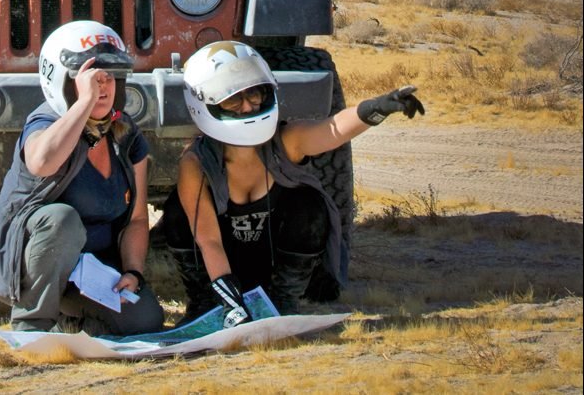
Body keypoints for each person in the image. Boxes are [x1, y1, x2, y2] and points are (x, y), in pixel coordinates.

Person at [159, 40, 424, 324]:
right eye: (232, 99)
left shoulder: (286, 142)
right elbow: (208, 240)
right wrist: (231, 304)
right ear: (205, 103)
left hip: (274, 266)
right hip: (222, 268)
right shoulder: (196, 164)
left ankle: (284, 300)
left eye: (255, 93)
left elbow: (332, 130)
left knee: (310, 204)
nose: (248, 106)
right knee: (176, 213)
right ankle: (204, 303)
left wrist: (379, 108)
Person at [0, 20, 164, 335]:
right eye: (89, 78)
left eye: (109, 78)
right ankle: (32, 325)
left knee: (145, 321)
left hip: (90, 274)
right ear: (60, 81)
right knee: (62, 219)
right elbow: (41, 162)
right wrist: (84, 103)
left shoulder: (126, 135)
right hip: (25, 267)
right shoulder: (45, 122)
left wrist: (133, 272)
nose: (102, 87)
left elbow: (137, 220)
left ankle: (70, 321)